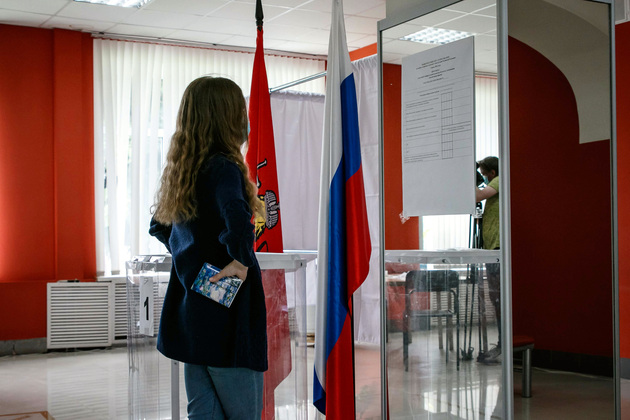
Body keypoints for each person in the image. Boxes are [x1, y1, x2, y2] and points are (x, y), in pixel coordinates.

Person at [149, 76, 267, 419]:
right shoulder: (224, 168)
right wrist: (240, 262)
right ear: (226, 117)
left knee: (202, 413)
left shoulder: (183, 171)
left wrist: (193, 260)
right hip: (229, 320)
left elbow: (159, 226)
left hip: (193, 312)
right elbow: (238, 219)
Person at [475, 156, 501, 364]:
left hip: (498, 248)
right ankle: (502, 342)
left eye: (484, 174)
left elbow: (478, 195)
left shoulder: (500, 180)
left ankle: (503, 342)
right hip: (490, 247)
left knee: (499, 297)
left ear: (492, 173)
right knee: (494, 297)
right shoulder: (493, 183)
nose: (483, 178)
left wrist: (470, 180)